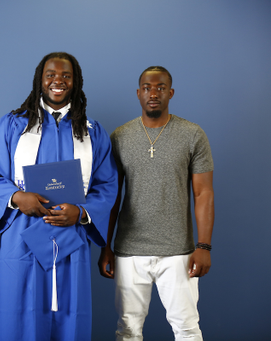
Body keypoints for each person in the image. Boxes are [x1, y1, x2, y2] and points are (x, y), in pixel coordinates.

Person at [0, 52, 118, 341]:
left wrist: (81, 213)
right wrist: (16, 197)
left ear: (76, 82)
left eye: (66, 76)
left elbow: (107, 184)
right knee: (16, 314)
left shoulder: (92, 132)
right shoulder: (14, 125)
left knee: (69, 314)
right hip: (21, 231)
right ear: (40, 81)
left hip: (70, 232)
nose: (58, 81)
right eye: (50, 75)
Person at [98, 66, 214, 341]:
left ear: (170, 93)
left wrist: (204, 246)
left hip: (178, 252)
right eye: (148, 88)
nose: (154, 93)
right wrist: (106, 247)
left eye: (160, 88)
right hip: (129, 251)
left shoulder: (192, 134)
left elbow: (204, 193)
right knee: (127, 330)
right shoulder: (120, 137)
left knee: (186, 328)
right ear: (138, 93)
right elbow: (111, 197)